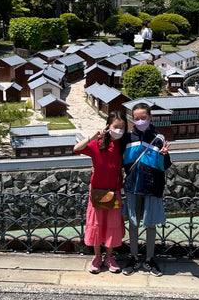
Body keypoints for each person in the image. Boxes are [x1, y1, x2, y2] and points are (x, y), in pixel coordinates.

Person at [73, 111, 128, 274]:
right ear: (108, 126)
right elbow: (77, 148)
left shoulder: (123, 145)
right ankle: (97, 256)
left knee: (112, 225)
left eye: (122, 127)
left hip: (114, 191)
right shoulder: (97, 143)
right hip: (97, 191)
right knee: (96, 224)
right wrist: (94, 135)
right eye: (116, 127)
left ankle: (109, 256)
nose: (119, 130)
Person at [122, 102, 171, 277]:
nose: (140, 121)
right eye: (137, 118)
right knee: (133, 224)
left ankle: (150, 259)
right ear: (132, 119)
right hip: (132, 187)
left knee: (150, 225)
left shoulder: (159, 139)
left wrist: (164, 156)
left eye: (144, 117)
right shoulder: (127, 139)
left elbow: (164, 166)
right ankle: (134, 258)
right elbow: (119, 161)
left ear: (150, 117)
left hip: (152, 187)